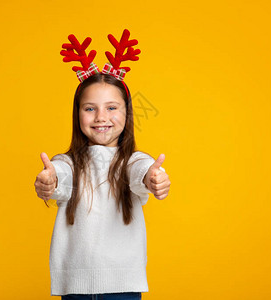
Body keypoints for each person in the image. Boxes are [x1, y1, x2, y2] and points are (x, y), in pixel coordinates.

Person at [34, 30, 171, 300]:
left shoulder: (134, 161)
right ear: (78, 114)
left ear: (127, 113)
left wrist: (154, 178)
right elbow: (59, 177)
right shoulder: (67, 163)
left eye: (111, 108)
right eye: (89, 108)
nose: (100, 117)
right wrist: (48, 181)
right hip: (74, 286)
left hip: (123, 286)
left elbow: (140, 172)